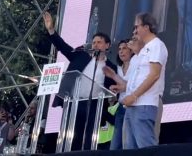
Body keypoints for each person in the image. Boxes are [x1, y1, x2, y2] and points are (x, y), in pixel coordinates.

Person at [42, 12, 117, 150]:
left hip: (95, 106)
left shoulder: (112, 68)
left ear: (107, 45)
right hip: (74, 102)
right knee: (70, 139)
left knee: (88, 141)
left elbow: (114, 89)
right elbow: (63, 47)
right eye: (94, 42)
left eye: (99, 42)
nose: (95, 45)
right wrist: (51, 30)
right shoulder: (81, 56)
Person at [122, 13, 168, 149]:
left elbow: (154, 75)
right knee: (129, 148)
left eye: (137, 27)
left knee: (145, 148)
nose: (135, 31)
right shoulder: (143, 50)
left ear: (146, 27)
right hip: (132, 105)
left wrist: (134, 96)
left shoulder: (156, 45)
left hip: (144, 104)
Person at [109, 39, 133, 150]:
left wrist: (122, 87)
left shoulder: (137, 66)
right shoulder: (117, 69)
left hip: (133, 106)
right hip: (120, 108)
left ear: (131, 51)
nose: (121, 51)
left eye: (124, 48)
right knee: (115, 145)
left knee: (129, 143)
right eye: (119, 49)